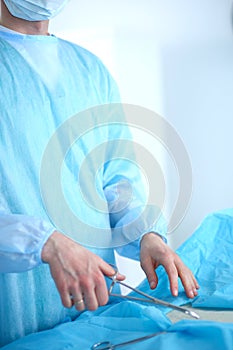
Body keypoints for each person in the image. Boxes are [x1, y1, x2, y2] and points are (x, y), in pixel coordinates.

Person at [0, 0, 199, 347]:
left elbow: (116, 179)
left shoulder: (90, 70)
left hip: (95, 319)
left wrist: (147, 234)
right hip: (13, 316)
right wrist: (43, 242)